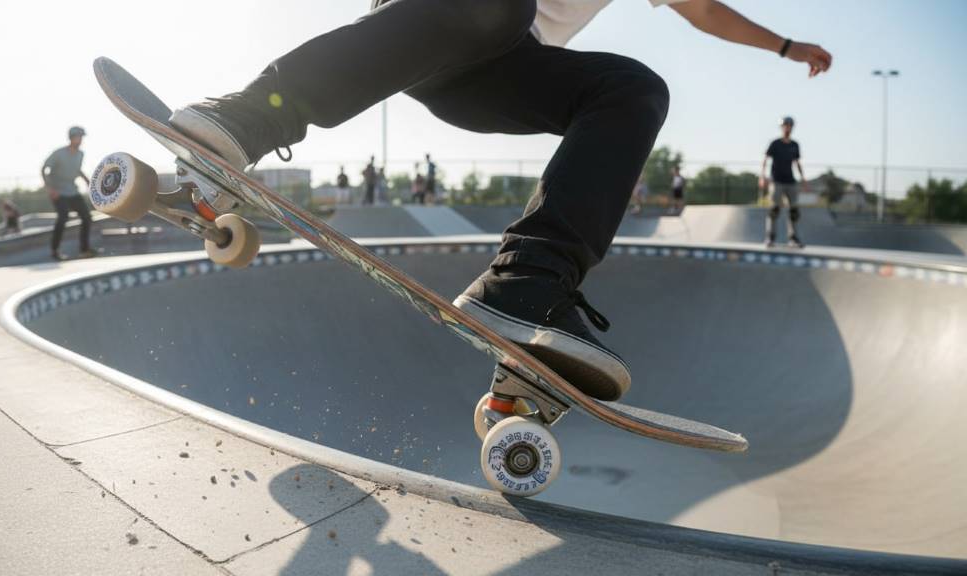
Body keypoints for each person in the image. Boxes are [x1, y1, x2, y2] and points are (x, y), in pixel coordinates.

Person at [167, 0, 831, 400]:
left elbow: (705, 10)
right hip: (432, 19)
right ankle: (248, 119)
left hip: (496, 72)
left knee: (634, 89)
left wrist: (783, 45)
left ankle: (528, 285)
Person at [42, 126, 96, 260]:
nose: (81, 140)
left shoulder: (80, 154)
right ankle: (55, 250)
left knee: (86, 217)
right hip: (58, 192)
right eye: (79, 137)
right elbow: (44, 169)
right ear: (72, 138)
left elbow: (77, 169)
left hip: (72, 190)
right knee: (63, 217)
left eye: (82, 138)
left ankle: (84, 249)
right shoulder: (59, 153)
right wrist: (49, 188)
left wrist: (88, 181)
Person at [760, 116, 807, 248]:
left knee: (794, 211)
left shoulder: (794, 145)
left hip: (790, 181)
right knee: (774, 209)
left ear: (792, 127)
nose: (788, 128)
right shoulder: (775, 143)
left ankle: (793, 238)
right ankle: (770, 237)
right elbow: (766, 159)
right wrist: (762, 176)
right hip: (776, 180)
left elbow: (797, 163)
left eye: (790, 126)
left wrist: (803, 179)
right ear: (782, 127)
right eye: (785, 125)